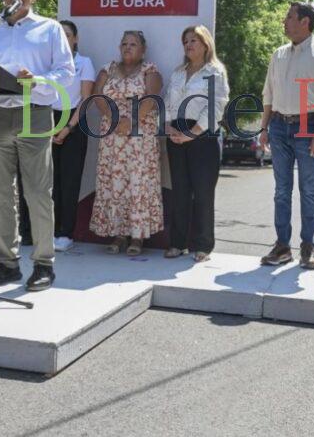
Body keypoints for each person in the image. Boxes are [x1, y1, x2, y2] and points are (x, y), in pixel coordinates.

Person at [0, 0, 74, 292]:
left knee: (38, 192)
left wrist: (38, 80)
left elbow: (66, 72)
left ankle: (43, 263)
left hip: (34, 111)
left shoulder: (50, 29)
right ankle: (6, 264)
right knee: (0, 193)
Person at [258, 2, 314, 270]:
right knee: (281, 190)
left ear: (305, 21)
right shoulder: (278, 54)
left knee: (308, 190)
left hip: (310, 125)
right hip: (279, 127)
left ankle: (308, 247)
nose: (284, 21)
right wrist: (264, 127)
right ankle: (282, 246)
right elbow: (268, 93)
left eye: (289, 17)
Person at [89, 30, 164, 256]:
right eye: (124, 44)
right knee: (115, 182)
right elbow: (97, 96)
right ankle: (118, 233)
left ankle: (138, 236)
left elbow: (151, 99)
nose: (127, 47)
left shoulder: (150, 71)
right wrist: (114, 121)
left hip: (140, 136)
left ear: (143, 49)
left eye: (133, 44)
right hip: (112, 136)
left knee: (138, 182)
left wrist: (130, 122)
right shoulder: (108, 69)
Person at [164, 25, 229, 262]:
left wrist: (192, 134)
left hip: (203, 136)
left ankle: (203, 246)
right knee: (179, 191)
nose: (189, 45)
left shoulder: (215, 71)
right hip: (176, 134)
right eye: (185, 41)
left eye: (194, 40)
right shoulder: (178, 72)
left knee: (203, 192)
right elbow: (168, 102)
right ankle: (177, 243)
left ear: (205, 44)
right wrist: (169, 126)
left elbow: (216, 106)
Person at [50, 20, 95, 252]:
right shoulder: (49, 63)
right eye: (59, 35)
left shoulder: (84, 63)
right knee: (49, 183)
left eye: (67, 35)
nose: (63, 39)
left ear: (75, 39)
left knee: (69, 182)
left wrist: (67, 127)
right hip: (47, 121)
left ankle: (66, 233)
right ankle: (48, 230)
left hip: (74, 122)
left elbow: (86, 100)